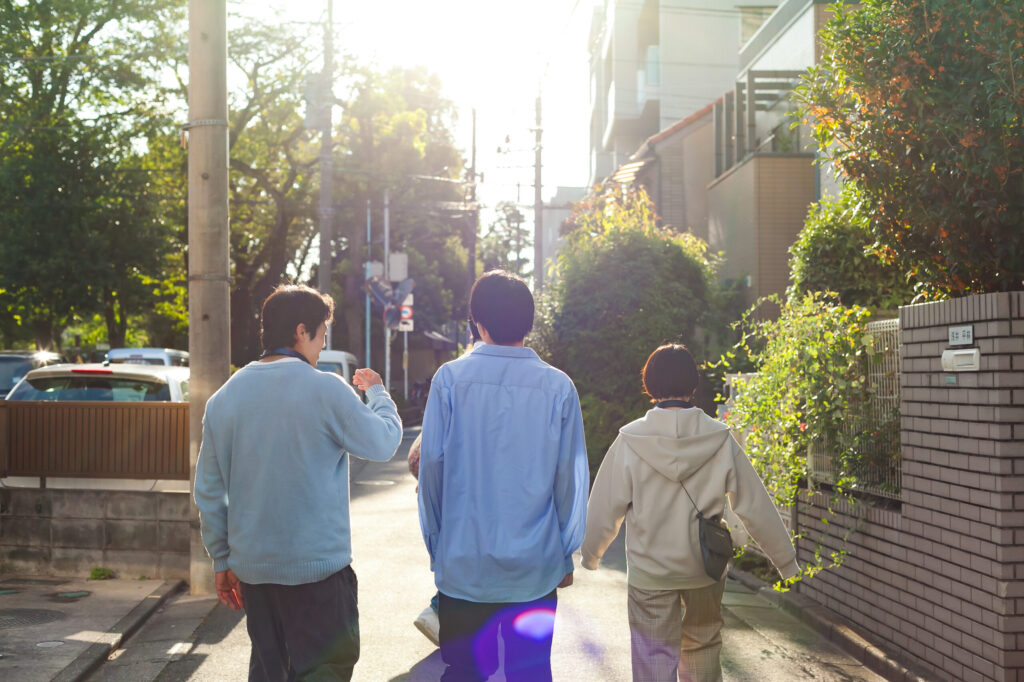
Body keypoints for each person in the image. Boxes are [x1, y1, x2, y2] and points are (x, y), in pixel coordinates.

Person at [193, 284, 403, 681]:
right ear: (302, 331)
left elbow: (208, 489)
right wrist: (377, 393)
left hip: (255, 572)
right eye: (323, 334)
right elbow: (384, 442)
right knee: (326, 671)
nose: (322, 346)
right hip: (318, 573)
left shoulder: (224, 398)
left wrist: (222, 559)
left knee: (271, 672)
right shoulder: (324, 388)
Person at [581, 344, 799, 682]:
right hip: (704, 569)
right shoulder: (719, 438)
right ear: (693, 385)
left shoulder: (630, 439)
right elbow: (755, 505)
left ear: (649, 385)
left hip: (650, 572)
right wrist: (786, 561)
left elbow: (604, 504)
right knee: (702, 648)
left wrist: (591, 554)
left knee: (652, 656)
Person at [418, 270, 589, 682]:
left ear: (476, 322)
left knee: (465, 674)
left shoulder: (449, 381)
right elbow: (571, 477)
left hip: (463, 565)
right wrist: (566, 550)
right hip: (535, 567)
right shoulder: (559, 387)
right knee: (530, 674)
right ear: (529, 324)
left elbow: (432, 472)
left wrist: (439, 544)